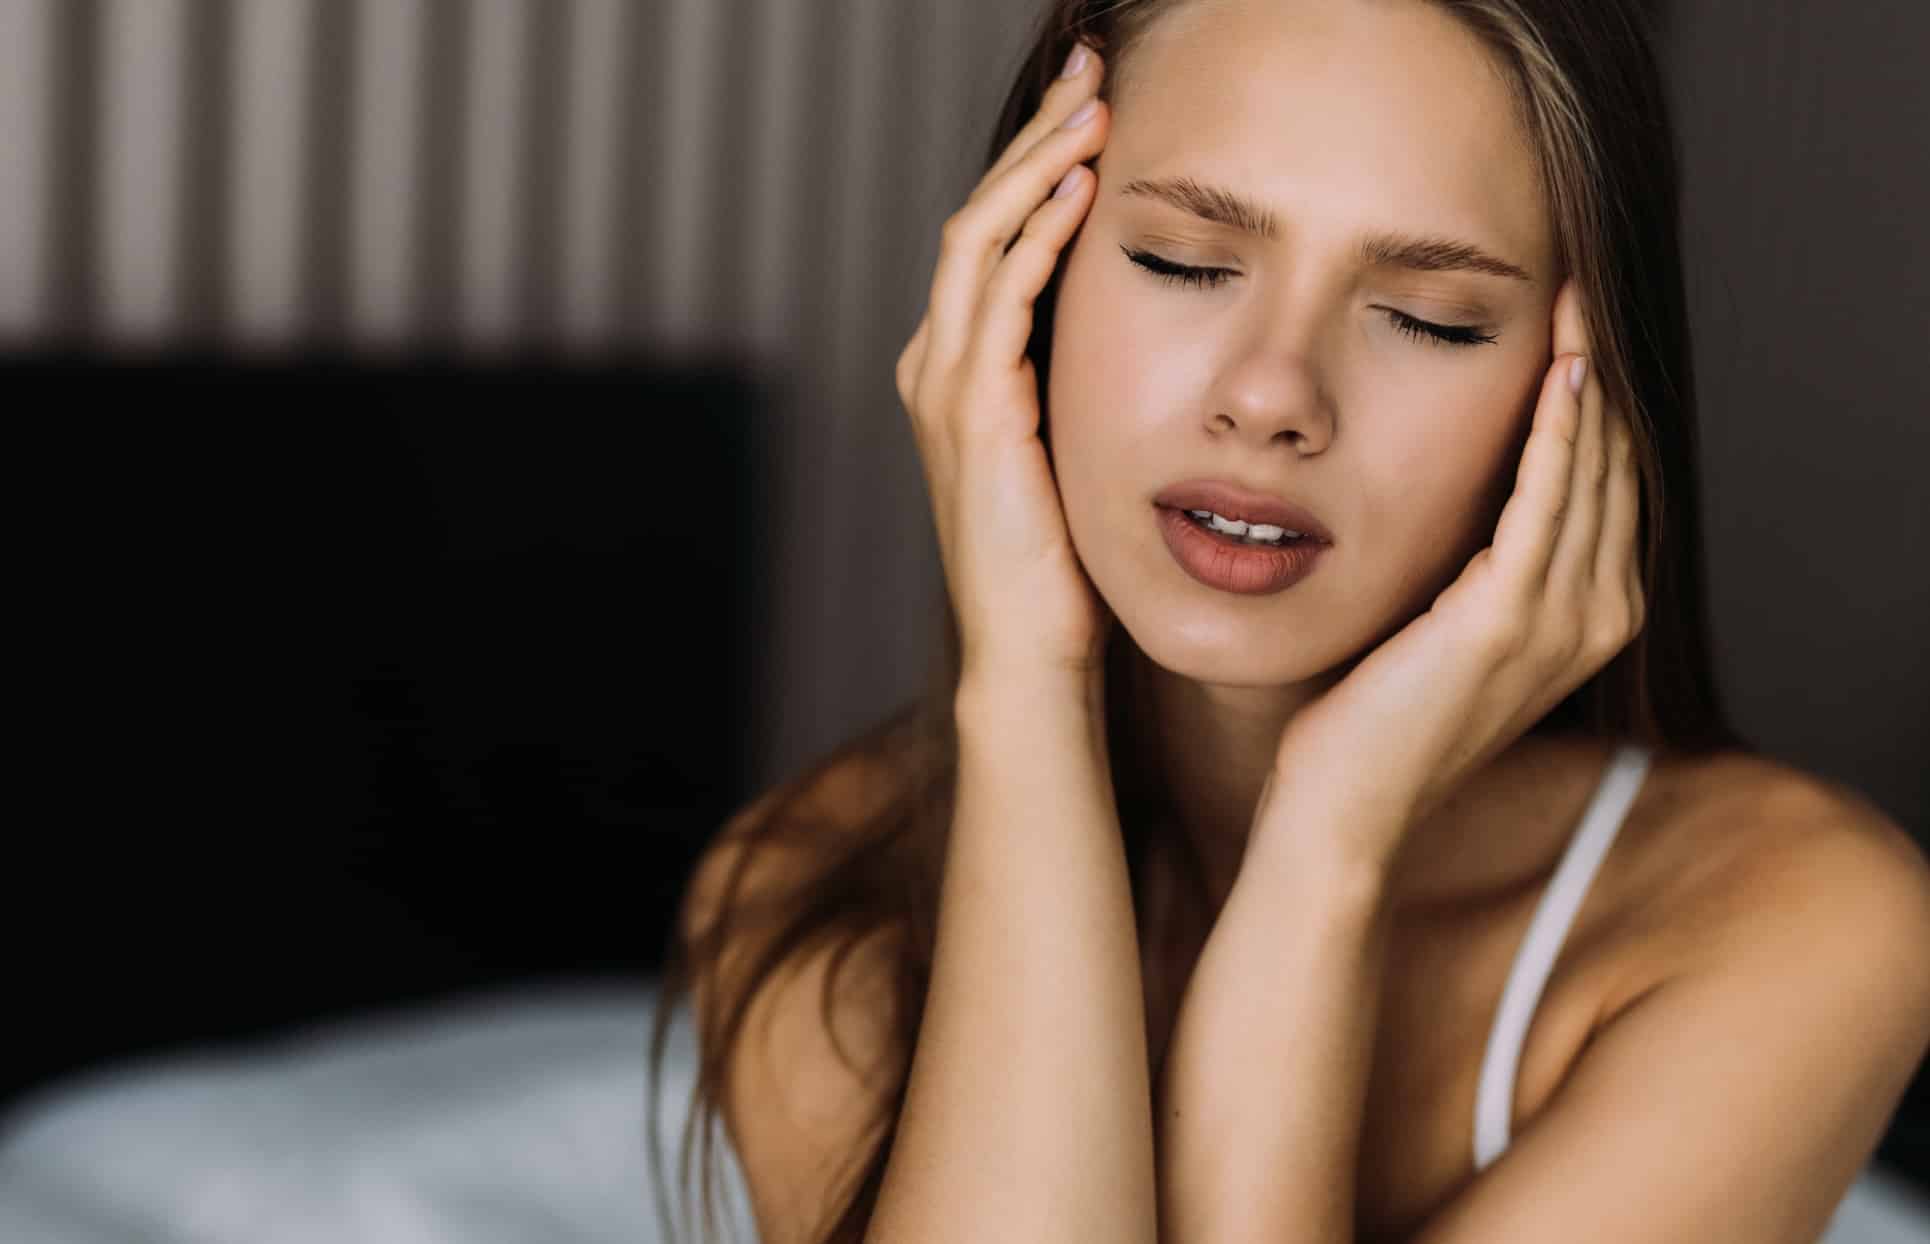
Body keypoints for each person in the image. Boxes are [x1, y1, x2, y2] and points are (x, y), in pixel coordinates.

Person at [648, 2, 1930, 1242]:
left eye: (1429, 317)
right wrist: (1025, 686)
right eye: (1183, 260)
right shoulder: (806, 899)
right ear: (1018, 290)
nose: (1270, 395)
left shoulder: (1805, 926)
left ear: (1578, 406)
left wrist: (1326, 847)